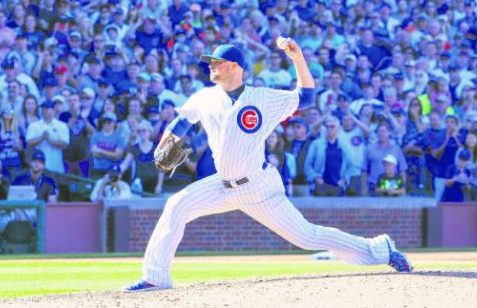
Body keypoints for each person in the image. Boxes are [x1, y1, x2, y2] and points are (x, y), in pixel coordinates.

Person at [124, 41, 411, 293]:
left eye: (216, 62)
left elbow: (307, 98)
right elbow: (182, 122)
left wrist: (297, 57)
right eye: (210, 62)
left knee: (306, 237)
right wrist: (166, 141)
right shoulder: (205, 96)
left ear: (235, 66)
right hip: (221, 184)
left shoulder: (262, 98)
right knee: (176, 205)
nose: (210, 66)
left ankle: (380, 249)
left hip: (259, 186)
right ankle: (156, 277)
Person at [25, 99, 70, 174]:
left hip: (56, 166)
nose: (44, 110)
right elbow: (29, 142)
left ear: (53, 110)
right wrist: (42, 138)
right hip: (38, 168)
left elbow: (65, 144)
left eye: (47, 108)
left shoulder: (61, 126)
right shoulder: (34, 125)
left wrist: (49, 140)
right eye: (43, 108)